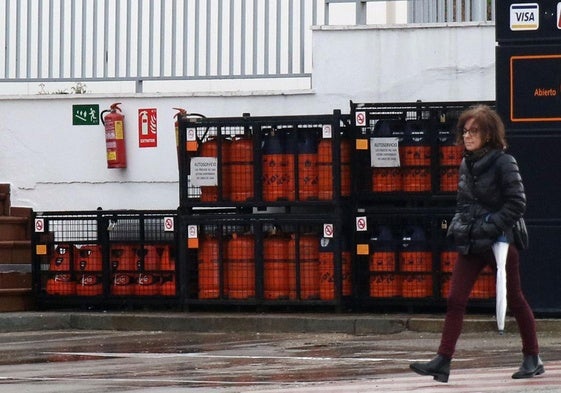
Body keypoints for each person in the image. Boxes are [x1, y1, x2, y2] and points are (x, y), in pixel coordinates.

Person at [409, 104, 544, 383]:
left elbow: (517, 204)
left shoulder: (504, 162)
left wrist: (489, 226)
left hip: (501, 244)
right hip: (472, 241)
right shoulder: (465, 163)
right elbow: (464, 202)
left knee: (515, 299)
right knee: (456, 299)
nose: (467, 136)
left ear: (489, 134)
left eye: (474, 131)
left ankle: (533, 357)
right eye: (465, 131)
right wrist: (462, 225)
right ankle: (443, 361)